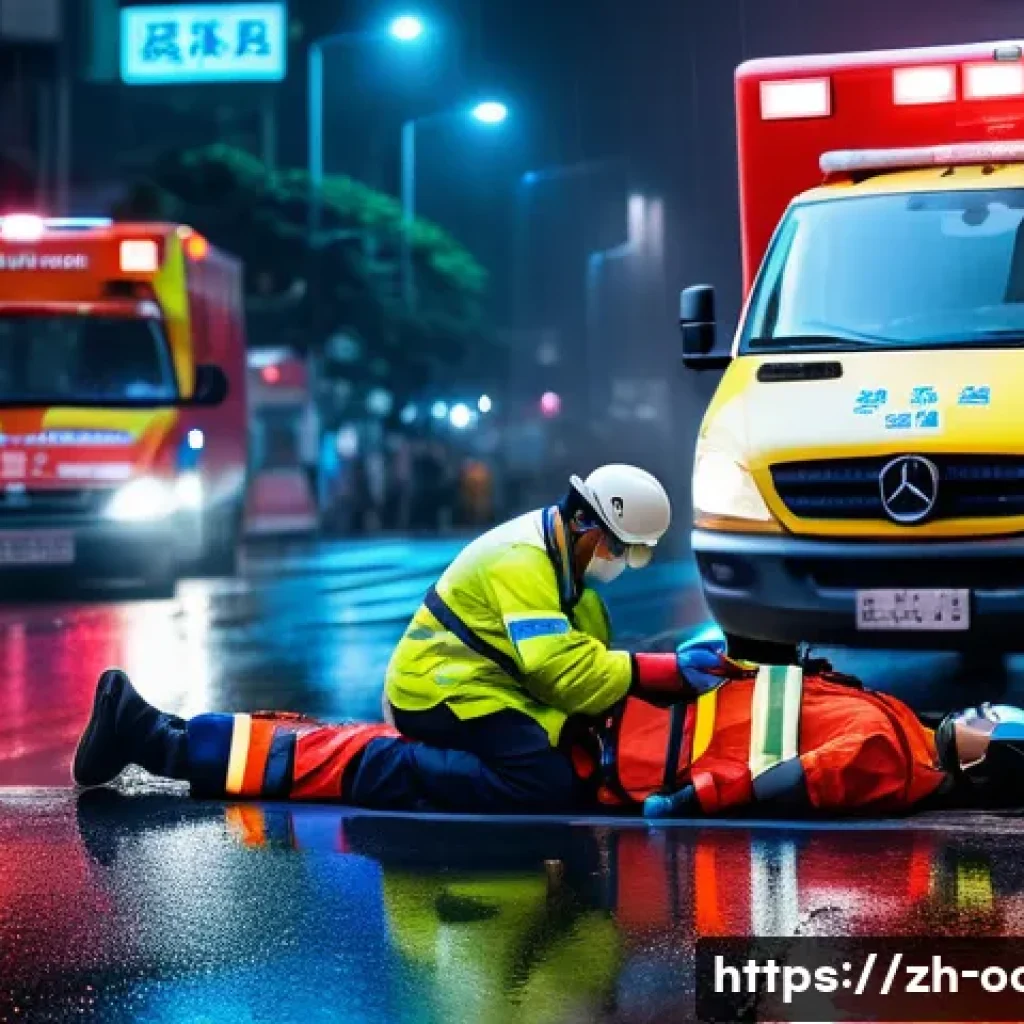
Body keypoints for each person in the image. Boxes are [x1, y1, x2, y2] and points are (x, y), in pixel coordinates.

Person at [73, 465, 715, 812]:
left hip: (476, 691)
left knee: (535, 767)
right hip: (440, 690)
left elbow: (585, 670)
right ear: (586, 525)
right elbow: (562, 673)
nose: (619, 564)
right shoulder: (526, 559)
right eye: (620, 550)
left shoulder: (568, 575)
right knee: (537, 784)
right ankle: (395, 764)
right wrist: (663, 672)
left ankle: (152, 731)